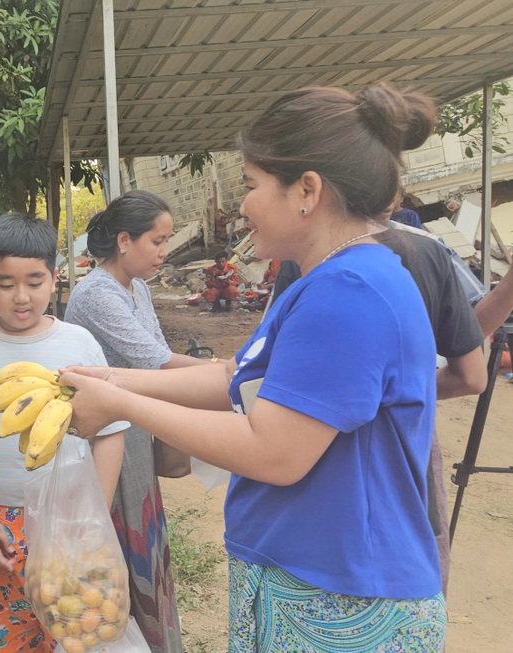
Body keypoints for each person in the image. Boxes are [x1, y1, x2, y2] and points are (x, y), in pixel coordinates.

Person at [59, 83, 449, 650]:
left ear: (306, 192)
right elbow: (234, 379)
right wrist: (112, 378)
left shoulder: (349, 293)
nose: (241, 204)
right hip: (306, 576)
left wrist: (118, 405)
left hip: (340, 599)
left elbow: (275, 451)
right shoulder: (322, 282)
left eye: (250, 185)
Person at [0, 213, 126, 652]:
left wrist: (95, 513)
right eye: (5, 283)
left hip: (73, 516)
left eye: (35, 282)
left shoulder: (79, 345)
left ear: (55, 277)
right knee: (13, 635)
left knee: (82, 627)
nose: (22, 297)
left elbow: (111, 433)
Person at [64, 190, 208, 653]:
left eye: (166, 240)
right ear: (124, 240)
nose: (164, 251)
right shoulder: (95, 294)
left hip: (137, 429)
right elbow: (157, 362)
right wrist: (228, 375)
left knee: (144, 540)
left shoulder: (138, 288)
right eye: (157, 240)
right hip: (108, 440)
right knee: (118, 544)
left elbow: (157, 353)